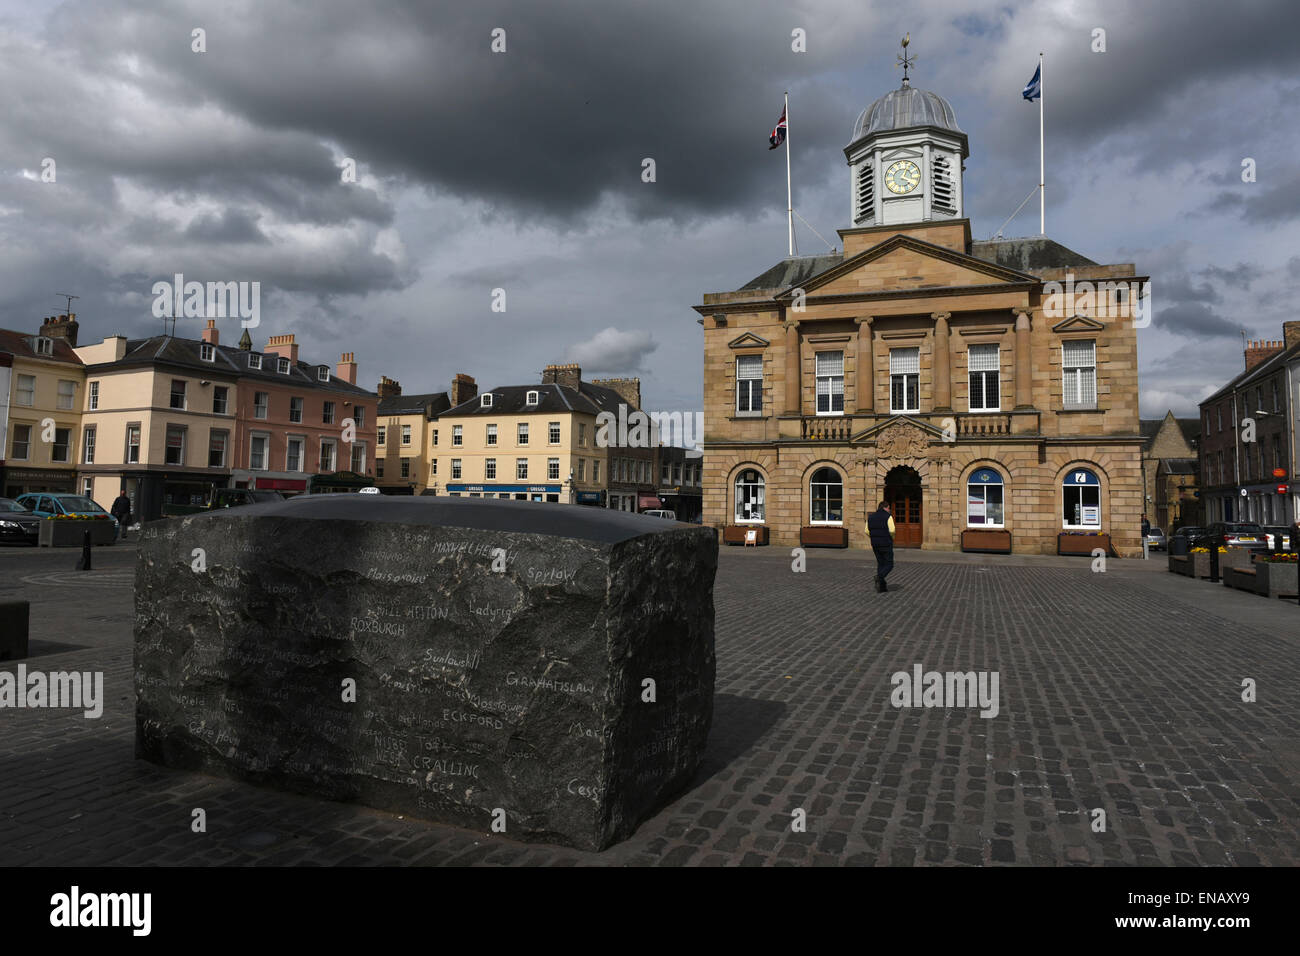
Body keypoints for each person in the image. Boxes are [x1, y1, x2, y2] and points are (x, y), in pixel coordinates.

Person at [866, 501, 896, 593]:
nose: (889, 510)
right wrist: (892, 538)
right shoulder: (888, 516)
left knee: (881, 563)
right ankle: (879, 577)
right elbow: (892, 530)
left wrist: (874, 537)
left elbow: (866, 531)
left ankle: (882, 587)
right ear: (885, 507)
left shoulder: (870, 517)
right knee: (889, 564)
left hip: (875, 544)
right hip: (886, 543)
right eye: (889, 508)